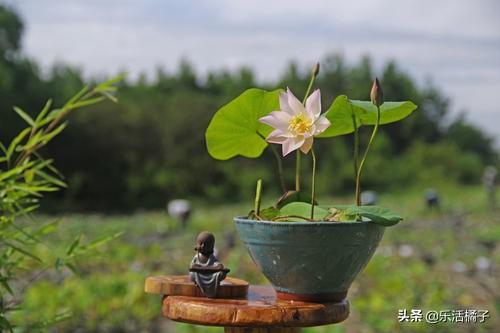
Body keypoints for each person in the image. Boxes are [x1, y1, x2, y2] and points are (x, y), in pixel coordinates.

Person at [189, 231, 229, 297]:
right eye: (201, 244)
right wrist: (196, 267)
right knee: (192, 274)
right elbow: (192, 267)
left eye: (207, 245)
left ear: (212, 246)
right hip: (199, 275)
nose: (203, 246)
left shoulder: (211, 257)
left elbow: (217, 264)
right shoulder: (197, 257)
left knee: (222, 274)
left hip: (211, 275)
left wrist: (218, 266)